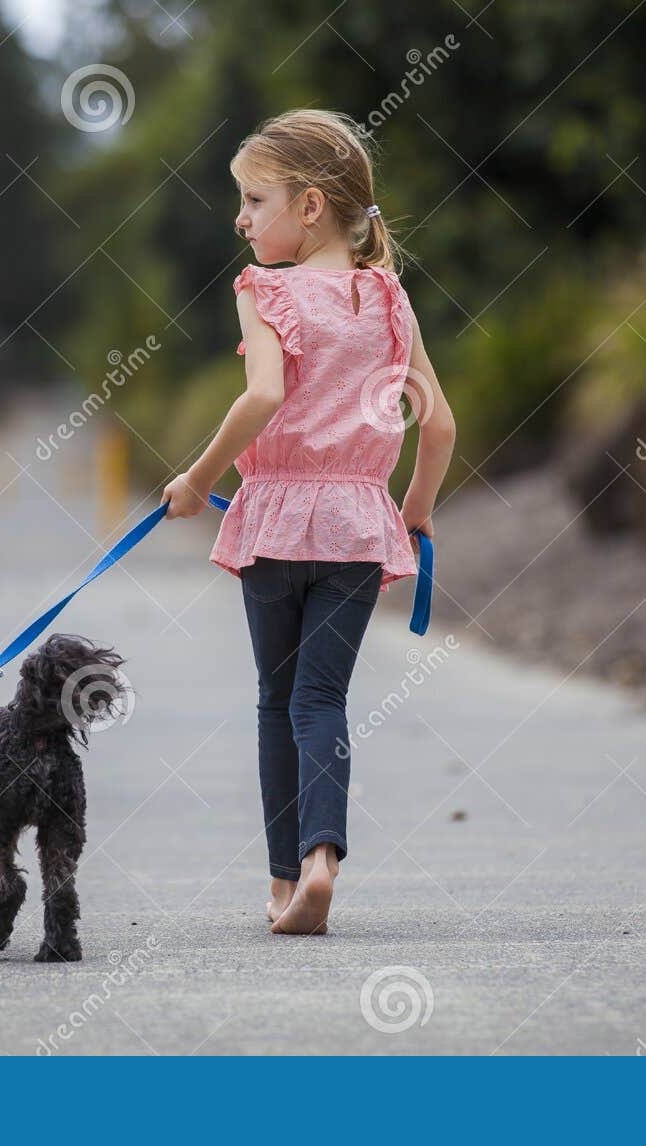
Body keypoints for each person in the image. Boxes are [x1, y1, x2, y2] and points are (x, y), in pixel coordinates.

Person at [162, 109, 456, 935]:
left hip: (276, 524)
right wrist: (415, 510)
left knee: (276, 700)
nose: (241, 219)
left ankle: (283, 881)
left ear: (312, 205)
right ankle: (324, 859)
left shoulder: (266, 292)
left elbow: (262, 396)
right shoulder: (390, 298)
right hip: (359, 526)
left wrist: (196, 481)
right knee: (322, 698)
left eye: (255, 201)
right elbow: (438, 425)